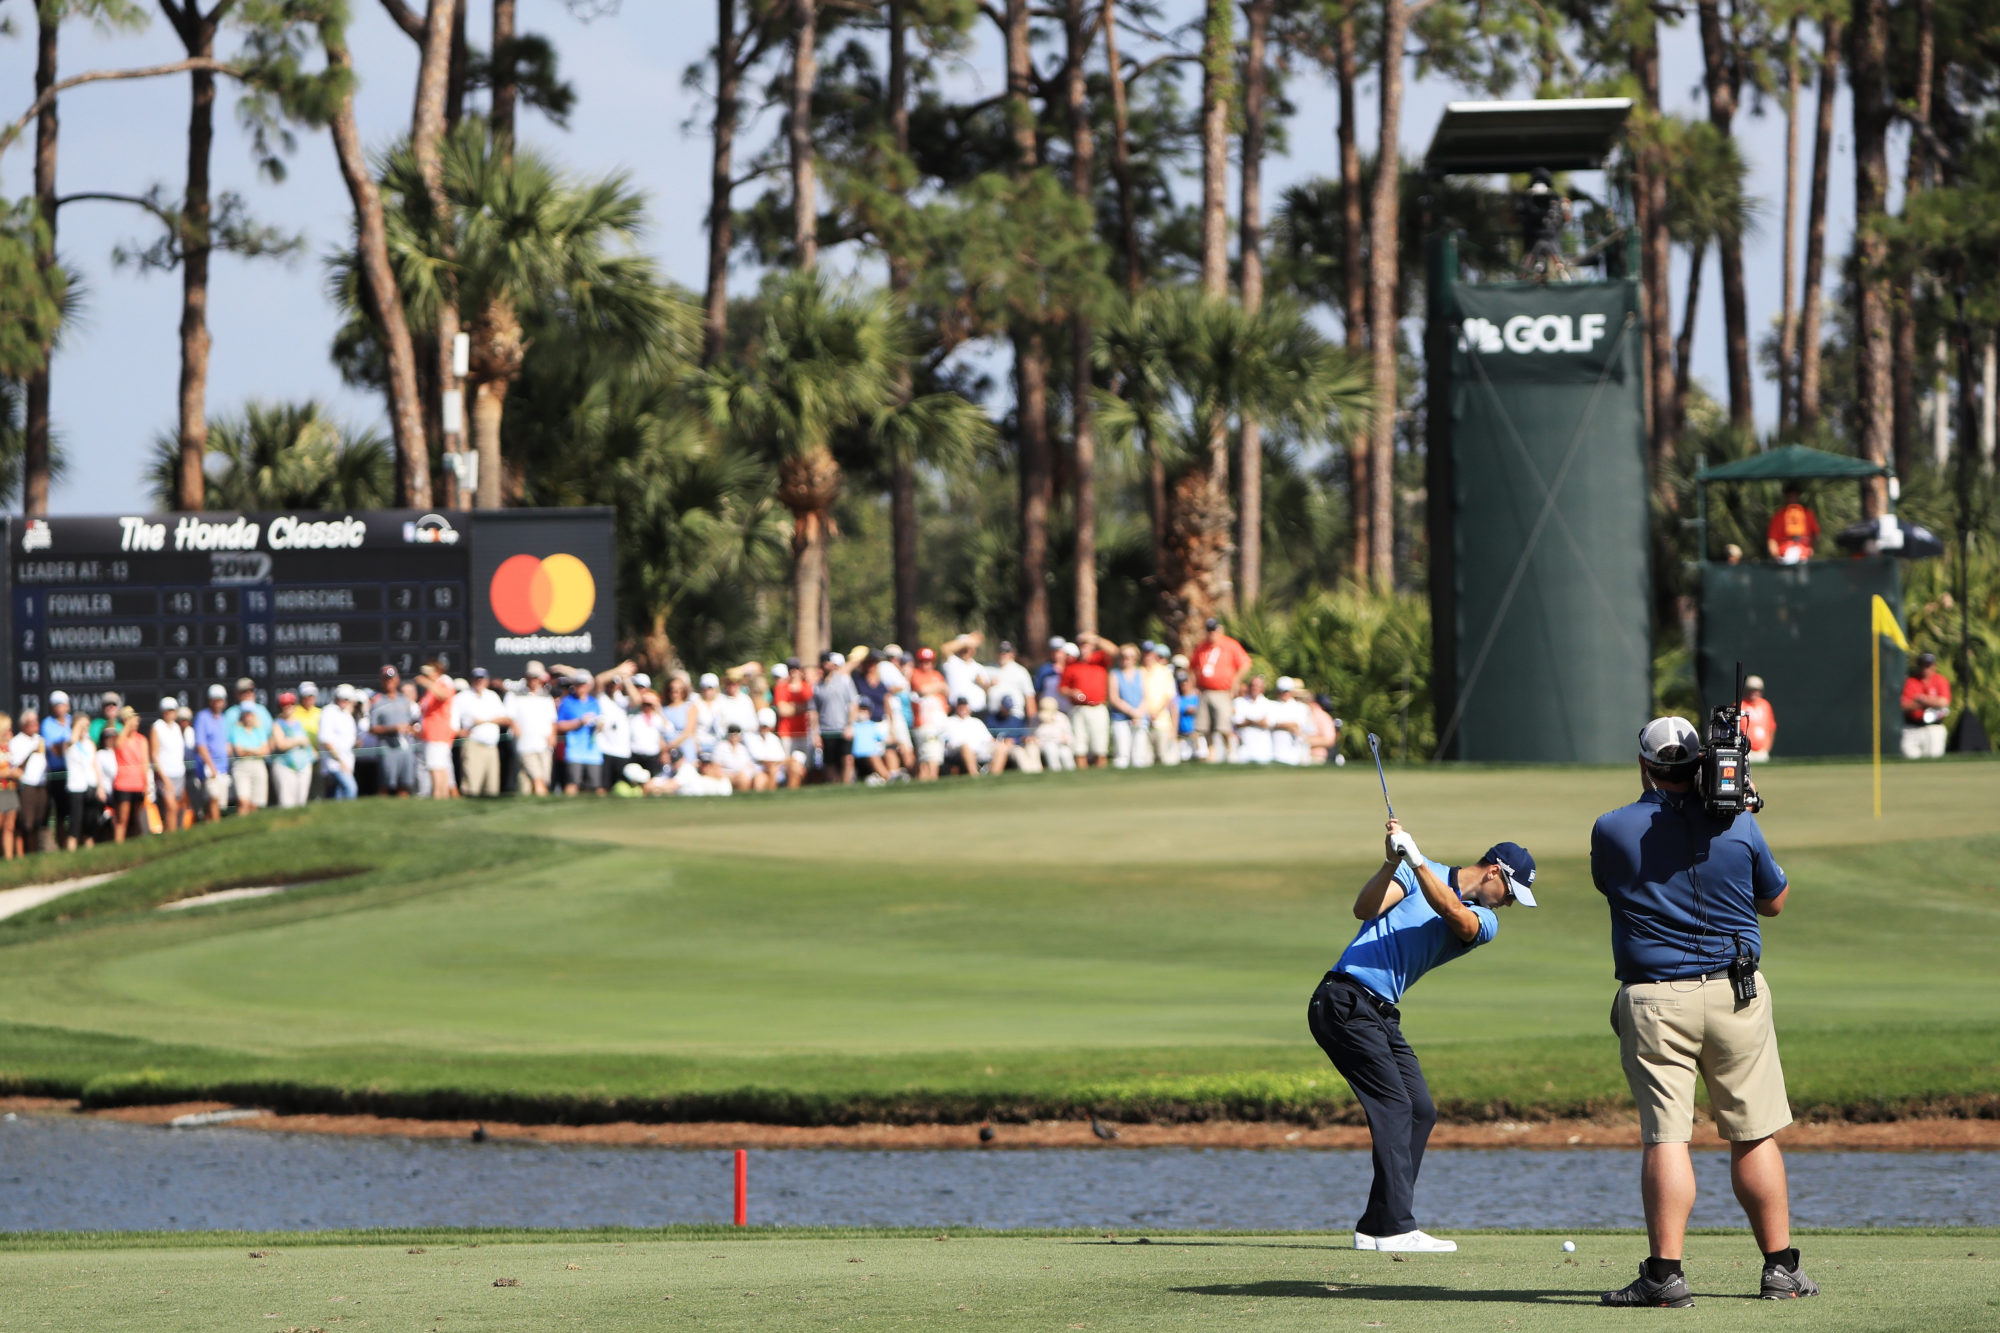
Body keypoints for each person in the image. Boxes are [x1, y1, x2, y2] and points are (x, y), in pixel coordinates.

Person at [1591, 717, 1815, 1307]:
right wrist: (1733, 811)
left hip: (1655, 998)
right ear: (1701, 763)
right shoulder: (1740, 824)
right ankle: (1781, 1270)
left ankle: (1665, 1278)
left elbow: (1609, 883)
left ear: (1644, 766)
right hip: (1737, 993)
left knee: (1668, 1137)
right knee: (1753, 1132)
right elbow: (1776, 901)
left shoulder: (1611, 828)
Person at [1309, 819, 1538, 1253]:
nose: (1508, 904)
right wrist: (1390, 862)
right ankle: (1396, 1226)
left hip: (1380, 1014)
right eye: (1510, 893)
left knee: (1420, 1110)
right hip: (1343, 1001)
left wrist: (1414, 861)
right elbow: (1365, 909)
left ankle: (1378, 1223)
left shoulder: (1484, 920)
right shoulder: (1416, 872)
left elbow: (1454, 915)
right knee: (1395, 1106)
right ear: (1494, 872)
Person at [1192, 618, 1251, 762]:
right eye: (1209, 630)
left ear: (1220, 630)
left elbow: (1246, 664)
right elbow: (1192, 667)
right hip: (1205, 692)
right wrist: (1196, 685)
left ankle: (1230, 752)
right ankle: (1211, 754)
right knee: (1205, 727)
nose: (1211, 633)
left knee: (1224, 725)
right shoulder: (1202, 647)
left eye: (1214, 629)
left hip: (1222, 692)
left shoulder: (1230, 645)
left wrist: (1235, 683)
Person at [1060, 633, 1114, 767]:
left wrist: (1095, 638)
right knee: (1079, 748)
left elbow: (1115, 651)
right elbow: (1062, 688)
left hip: (1098, 707)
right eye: (1082, 645)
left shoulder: (1100, 659)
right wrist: (1072, 692)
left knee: (1100, 747)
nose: (1084, 648)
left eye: (1087, 645)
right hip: (1078, 709)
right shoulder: (1072, 665)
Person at [456, 669, 512, 796]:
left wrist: (485, 720)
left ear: (486, 681)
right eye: (476, 679)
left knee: (492, 788)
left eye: (481, 679)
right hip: (473, 744)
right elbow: (451, 718)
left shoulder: (492, 696)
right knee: (472, 787)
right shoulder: (462, 697)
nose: (479, 682)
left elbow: (505, 719)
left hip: (491, 746)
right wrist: (459, 731)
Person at [507, 663, 559, 795]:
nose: (534, 681)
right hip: (525, 744)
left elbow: (552, 720)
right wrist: (514, 726)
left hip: (544, 745)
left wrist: (553, 735)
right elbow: (509, 717)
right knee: (538, 778)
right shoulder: (514, 695)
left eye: (537, 677)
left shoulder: (546, 697)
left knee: (530, 781)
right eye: (532, 677)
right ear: (526, 677)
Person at [369, 667, 419, 797]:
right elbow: (372, 728)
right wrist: (393, 728)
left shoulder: (404, 701)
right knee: (384, 785)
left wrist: (410, 729)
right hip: (387, 748)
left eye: (391, 679)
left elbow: (411, 724)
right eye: (386, 679)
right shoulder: (377, 702)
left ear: (397, 680)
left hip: (405, 747)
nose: (389, 682)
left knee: (405, 784)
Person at [225, 680, 273, 815]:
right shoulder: (231, 715)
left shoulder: (262, 711)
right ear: (237, 694)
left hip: (259, 764)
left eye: (250, 691)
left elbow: (268, 741)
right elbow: (235, 748)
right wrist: (255, 751)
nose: (248, 694)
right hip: (240, 765)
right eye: (244, 691)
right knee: (243, 802)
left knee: (256, 804)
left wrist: (255, 751)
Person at [814, 650, 859, 784]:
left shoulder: (845, 681)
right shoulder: (817, 687)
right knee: (830, 762)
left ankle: (846, 786)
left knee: (848, 759)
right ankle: (836, 786)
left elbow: (853, 704)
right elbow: (814, 711)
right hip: (826, 730)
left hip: (843, 728)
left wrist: (850, 725)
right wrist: (816, 732)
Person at [415, 664, 459, 799]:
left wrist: (428, 683)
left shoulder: (443, 683)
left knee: (436, 767)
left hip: (438, 733)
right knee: (439, 765)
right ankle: (441, 795)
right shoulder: (432, 689)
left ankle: (439, 794)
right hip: (431, 733)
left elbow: (443, 695)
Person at [556, 671, 604, 794]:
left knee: (595, 786)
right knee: (572, 784)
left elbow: (600, 724)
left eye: (583, 684)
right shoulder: (567, 702)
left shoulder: (594, 702)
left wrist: (600, 725)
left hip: (592, 751)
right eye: (578, 684)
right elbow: (559, 726)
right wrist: (580, 722)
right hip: (574, 751)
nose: (580, 687)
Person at [1900, 652, 1952, 760]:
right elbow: (1905, 705)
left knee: (1933, 760)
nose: (1925, 668)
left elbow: (1944, 702)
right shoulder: (1911, 681)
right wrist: (1931, 702)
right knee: (1909, 757)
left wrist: (1923, 700)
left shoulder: (1940, 680)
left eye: (1928, 665)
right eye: (1923, 665)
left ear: (1934, 666)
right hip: (1912, 728)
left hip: (1933, 727)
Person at [941, 696, 1010, 777]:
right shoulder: (949, 721)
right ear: (956, 707)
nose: (962, 708)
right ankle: (975, 776)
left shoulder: (976, 722)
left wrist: (1000, 742)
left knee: (1001, 747)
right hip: (959, 750)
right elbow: (947, 742)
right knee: (965, 746)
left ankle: (994, 776)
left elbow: (989, 739)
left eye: (964, 706)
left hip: (981, 749)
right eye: (960, 706)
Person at [64, 712, 104, 849]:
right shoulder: (69, 742)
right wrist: (78, 725)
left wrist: (100, 786)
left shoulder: (90, 743)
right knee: (75, 824)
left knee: (90, 825)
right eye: (82, 725)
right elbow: (72, 741)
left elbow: (95, 765)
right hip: (76, 787)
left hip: (91, 785)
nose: (85, 728)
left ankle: (89, 851)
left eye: (87, 725)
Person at [110, 706, 151, 839]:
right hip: (123, 784)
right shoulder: (119, 736)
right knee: (122, 818)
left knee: (138, 818)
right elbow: (118, 745)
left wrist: (146, 783)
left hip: (138, 784)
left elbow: (145, 763)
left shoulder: (142, 740)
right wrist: (127, 726)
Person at [193, 684, 233, 819]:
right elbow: (201, 745)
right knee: (213, 799)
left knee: (221, 804)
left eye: (220, 700)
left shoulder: (224, 719)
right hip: (209, 769)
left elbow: (226, 743)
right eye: (215, 700)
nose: (218, 703)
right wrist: (212, 767)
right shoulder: (202, 717)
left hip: (223, 769)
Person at [269, 693, 315, 808]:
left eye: (290, 704)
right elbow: (281, 744)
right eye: (284, 705)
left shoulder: (298, 723)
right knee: (287, 803)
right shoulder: (277, 724)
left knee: (301, 802)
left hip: (303, 765)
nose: (287, 707)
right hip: (284, 766)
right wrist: (298, 741)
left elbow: (307, 743)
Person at [12, 707, 48, 853]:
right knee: (26, 823)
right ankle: (23, 854)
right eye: (31, 722)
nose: (35, 724)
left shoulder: (39, 739)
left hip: (42, 784)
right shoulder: (17, 741)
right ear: (24, 724)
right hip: (27, 785)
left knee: (39, 822)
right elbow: (17, 767)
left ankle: (35, 852)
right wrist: (31, 752)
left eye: (36, 721)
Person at [1137, 644, 1178, 769]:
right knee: (1145, 759)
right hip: (1142, 721)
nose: (1147, 656)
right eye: (1145, 652)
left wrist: (1156, 713)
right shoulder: (1138, 671)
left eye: (1150, 653)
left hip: (1162, 722)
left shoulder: (1164, 671)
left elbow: (1169, 698)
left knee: (1164, 758)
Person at [773, 658, 816, 773]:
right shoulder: (781, 687)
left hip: (805, 732)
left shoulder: (807, 687)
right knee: (788, 766)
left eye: (795, 668)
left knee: (807, 765)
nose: (793, 671)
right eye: (790, 669)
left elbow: (811, 708)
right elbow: (783, 710)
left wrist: (792, 707)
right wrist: (802, 707)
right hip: (787, 733)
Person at [1108, 643, 1148, 768]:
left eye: (1130, 656)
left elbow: (1146, 696)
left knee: (1139, 756)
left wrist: (1138, 714)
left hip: (1140, 717)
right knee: (1122, 754)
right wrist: (1132, 712)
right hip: (1120, 718)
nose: (1127, 659)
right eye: (1124, 656)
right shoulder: (1115, 674)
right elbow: (1114, 698)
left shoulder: (1141, 672)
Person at [150, 699, 186, 831]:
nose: (170, 713)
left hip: (179, 773)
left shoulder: (176, 727)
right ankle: (171, 837)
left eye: (172, 710)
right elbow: (154, 754)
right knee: (171, 807)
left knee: (177, 808)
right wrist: (164, 778)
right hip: (165, 774)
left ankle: (173, 834)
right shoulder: (157, 727)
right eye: (167, 711)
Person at [319, 685, 359, 800]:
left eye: (347, 699)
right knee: (350, 789)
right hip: (334, 764)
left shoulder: (346, 715)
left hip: (347, 763)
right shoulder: (328, 711)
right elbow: (325, 740)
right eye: (342, 698)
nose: (344, 702)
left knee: (338, 795)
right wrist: (341, 761)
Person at [41, 692, 71, 845]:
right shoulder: (47, 724)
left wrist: (66, 745)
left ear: (68, 706)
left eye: (62, 704)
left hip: (76, 774)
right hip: (57, 774)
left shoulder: (73, 721)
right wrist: (72, 742)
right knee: (60, 813)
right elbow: (56, 750)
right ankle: (62, 843)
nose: (59, 708)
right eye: (56, 705)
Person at [1765, 484, 1819, 564]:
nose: (1792, 499)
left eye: (1794, 496)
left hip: (1803, 555)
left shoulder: (1807, 514)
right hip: (1784, 555)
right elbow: (1772, 539)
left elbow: (1816, 534)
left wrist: (1811, 549)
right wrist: (1776, 556)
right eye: (1789, 496)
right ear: (1785, 497)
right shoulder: (1779, 516)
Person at [1232, 674, 1275, 764]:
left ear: (1262, 688)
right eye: (1252, 685)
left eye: (1257, 686)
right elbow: (1237, 723)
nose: (1254, 688)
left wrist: (1249, 720)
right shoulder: (1239, 702)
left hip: (1263, 752)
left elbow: (1268, 723)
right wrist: (1257, 721)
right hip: (1243, 751)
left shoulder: (1268, 703)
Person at [1269, 677, 1310, 766]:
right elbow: (1269, 723)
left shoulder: (1301, 708)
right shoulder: (1271, 705)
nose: (1283, 693)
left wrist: (1279, 724)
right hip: (1274, 753)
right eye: (1281, 691)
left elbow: (1298, 725)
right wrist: (1288, 725)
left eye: (1286, 691)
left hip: (1295, 754)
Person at [1032, 695, 1076, 771]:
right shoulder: (1035, 719)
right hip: (1045, 745)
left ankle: (1072, 773)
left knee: (1065, 752)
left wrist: (1066, 740)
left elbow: (1069, 735)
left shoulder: (1062, 717)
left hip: (1061, 744)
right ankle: (1055, 771)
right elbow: (1035, 736)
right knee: (1051, 749)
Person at [1739, 675, 1776, 763]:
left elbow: (1771, 727)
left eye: (1756, 690)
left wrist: (1767, 748)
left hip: (1762, 752)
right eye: (1751, 690)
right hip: (1747, 751)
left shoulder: (1765, 705)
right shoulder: (1740, 706)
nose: (1754, 693)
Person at [1307, 693, 1344, 766]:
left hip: (1316, 757)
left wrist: (1305, 741)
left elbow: (1329, 740)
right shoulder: (1305, 714)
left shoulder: (1323, 717)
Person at [0, 714, 18, 857]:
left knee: (10, 826)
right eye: (8, 730)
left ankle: (9, 857)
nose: (10, 733)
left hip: (10, 790)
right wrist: (9, 772)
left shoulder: (10, 749)